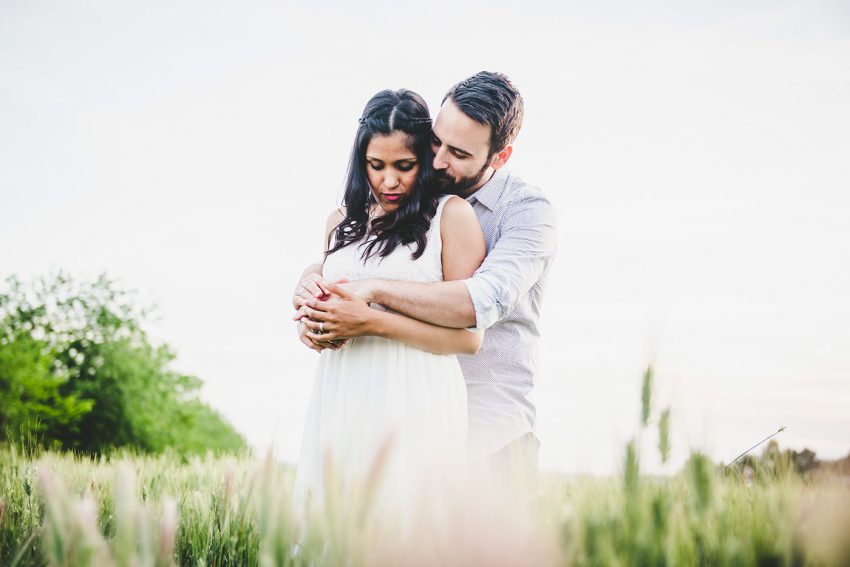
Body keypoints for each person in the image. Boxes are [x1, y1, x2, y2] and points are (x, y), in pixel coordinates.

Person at [294, 72, 558, 482]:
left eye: (457, 152)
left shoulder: (526, 212)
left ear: (500, 156)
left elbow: (478, 303)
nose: (437, 161)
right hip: (392, 426)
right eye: (436, 141)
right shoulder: (411, 192)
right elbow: (363, 255)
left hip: (492, 434)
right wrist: (313, 280)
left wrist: (372, 295)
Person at [292, 88, 486, 534]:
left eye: (404, 165)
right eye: (375, 166)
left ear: (426, 158)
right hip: (340, 396)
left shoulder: (451, 217)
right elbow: (325, 298)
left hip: (414, 400)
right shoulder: (340, 222)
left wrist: (372, 322)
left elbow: (470, 338)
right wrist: (312, 324)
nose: (389, 181)